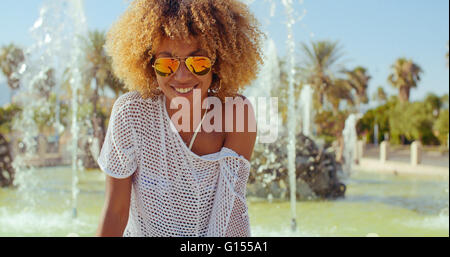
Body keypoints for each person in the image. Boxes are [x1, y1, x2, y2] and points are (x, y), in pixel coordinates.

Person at [96, 0, 263, 237]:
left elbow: (229, 215)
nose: (182, 76)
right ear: (149, 64)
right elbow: (115, 212)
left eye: (198, 62)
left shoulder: (236, 114)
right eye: (167, 64)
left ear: (217, 64)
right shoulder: (131, 113)